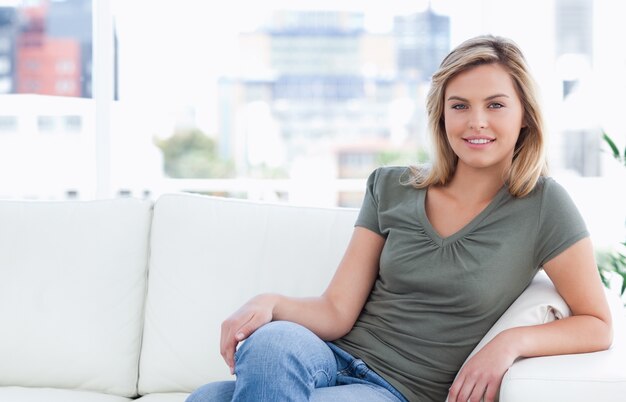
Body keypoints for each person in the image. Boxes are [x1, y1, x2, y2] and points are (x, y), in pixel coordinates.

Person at [186, 35, 613, 402]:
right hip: (330, 353)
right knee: (272, 341)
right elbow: (336, 311)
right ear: (441, 115)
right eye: (459, 105)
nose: (476, 121)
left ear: (524, 117)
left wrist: (510, 342)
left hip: (397, 389)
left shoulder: (543, 205)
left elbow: (596, 323)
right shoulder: (389, 187)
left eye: (496, 105)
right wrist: (270, 303)